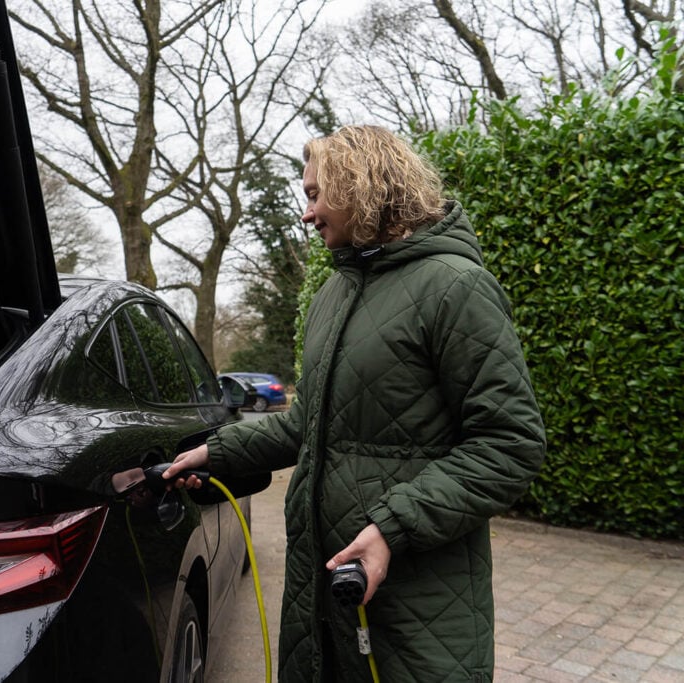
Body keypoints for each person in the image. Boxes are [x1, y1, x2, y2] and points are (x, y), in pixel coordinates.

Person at [164, 125, 546, 682]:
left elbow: (510, 446)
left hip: (418, 607)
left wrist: (393, 527)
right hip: (322, 595)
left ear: (360, 186)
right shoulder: (332, 294)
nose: (307, 213)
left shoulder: (455, 286)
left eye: (315, 194)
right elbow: (307, 426)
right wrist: (215, 452)